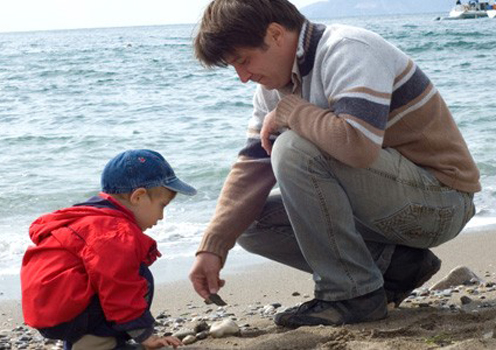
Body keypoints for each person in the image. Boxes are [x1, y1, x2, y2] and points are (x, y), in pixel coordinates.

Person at [189, 0, 481, 329]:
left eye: (244, 61)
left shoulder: (348, 49)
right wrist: (212, 247)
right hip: (388, 203)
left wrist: (291, 112)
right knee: (250, 225)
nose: (243, 77)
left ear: (275, 34)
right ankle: (397, 266)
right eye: (234, 67)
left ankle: (351, 295)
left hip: (440, 201)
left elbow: (358, 148)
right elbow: (251, 169)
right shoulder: (272, 87)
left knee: (293, 147)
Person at [21, 149, 196, 349]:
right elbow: (119, 285)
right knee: (139, 276)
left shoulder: (90, 217)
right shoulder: (114, 231)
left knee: (116, 275)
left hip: (49, 308)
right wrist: (146, 335)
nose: (161, 217)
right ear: (138, 197)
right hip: (67, 313)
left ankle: (85, 342)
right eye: (162, 206)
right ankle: (99, 344)